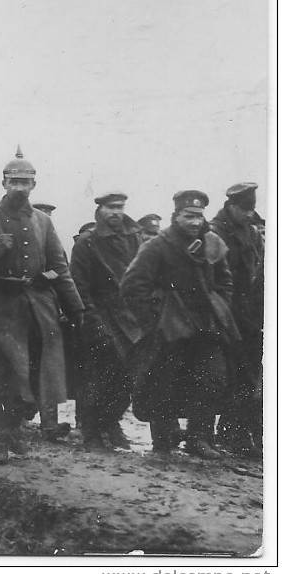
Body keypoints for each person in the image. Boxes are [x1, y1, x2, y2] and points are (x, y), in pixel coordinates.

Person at [0, 147, 84, 464]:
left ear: (34, 185)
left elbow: (59, 266)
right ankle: (0, 442)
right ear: (4, 183)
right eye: (14, 182)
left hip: (37, 309)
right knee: (0, 376)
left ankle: (15, 433)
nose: (19, 188)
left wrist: (75, 308)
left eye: (25, 183)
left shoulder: (42, 223)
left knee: (33, 377)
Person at [120, 190, 240, 460]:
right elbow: (131, 286)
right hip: (170, 328)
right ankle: (163, 441)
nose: (195, 222)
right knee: (165, 382)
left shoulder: (212, 243)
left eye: (198, 216)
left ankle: (199, 439)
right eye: (188, 216)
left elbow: (225, 282)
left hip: (207, 325)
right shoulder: (158, 246)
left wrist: (219, 305)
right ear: (176, 216)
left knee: (211, 380)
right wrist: (155, 319)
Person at [70, 192, 144, 451]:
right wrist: (92, 321)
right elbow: (79, 286)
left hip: (130, 318)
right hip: (101, 315)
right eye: (110, 207)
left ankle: (109, 424)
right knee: (100, 378)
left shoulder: (135, 238)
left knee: (128, 380)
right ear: (99, 210)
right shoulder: (87, 244)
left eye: (120, 207)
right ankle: (91, 434)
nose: (116, 212)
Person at [207, 182, 263, 459]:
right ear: (230, 206)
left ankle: (234, 432)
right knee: (222, 375)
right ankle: (220, 434)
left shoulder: (251, 232)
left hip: (246, 315)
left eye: (252, 209)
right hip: (224, 313)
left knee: (245, 376)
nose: (250, 214)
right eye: (244, 209)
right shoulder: (215, 232)